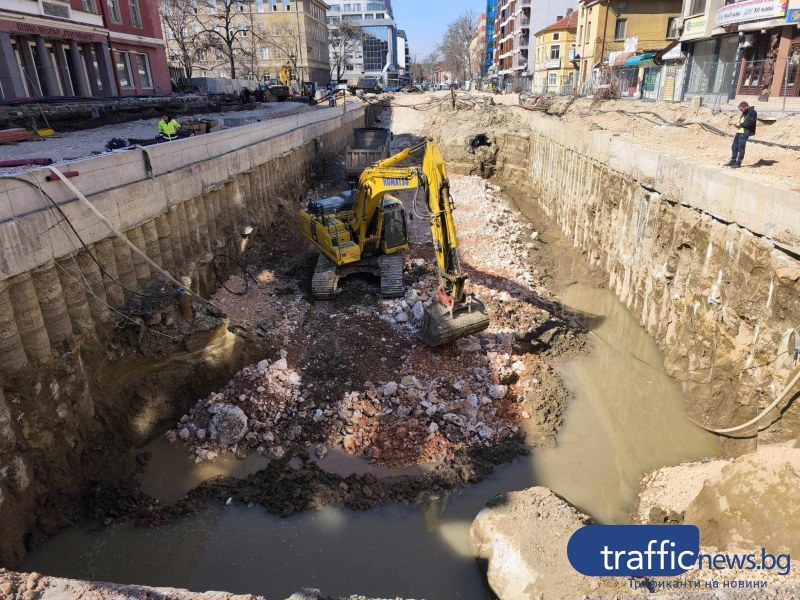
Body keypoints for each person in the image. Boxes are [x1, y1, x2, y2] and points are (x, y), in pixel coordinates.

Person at [725, 101, 757, 169]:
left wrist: (740, 124)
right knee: (734, 146)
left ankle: (738, 163)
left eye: (741, 109)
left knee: (741, 148)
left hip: (745, 132)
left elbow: (750, 123)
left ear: (746, 107)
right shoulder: (744, 113)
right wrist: (738, 125)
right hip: (739, 131)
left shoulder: (752, 112)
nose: (741, 111)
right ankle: (733, 161)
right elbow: (743, 121)